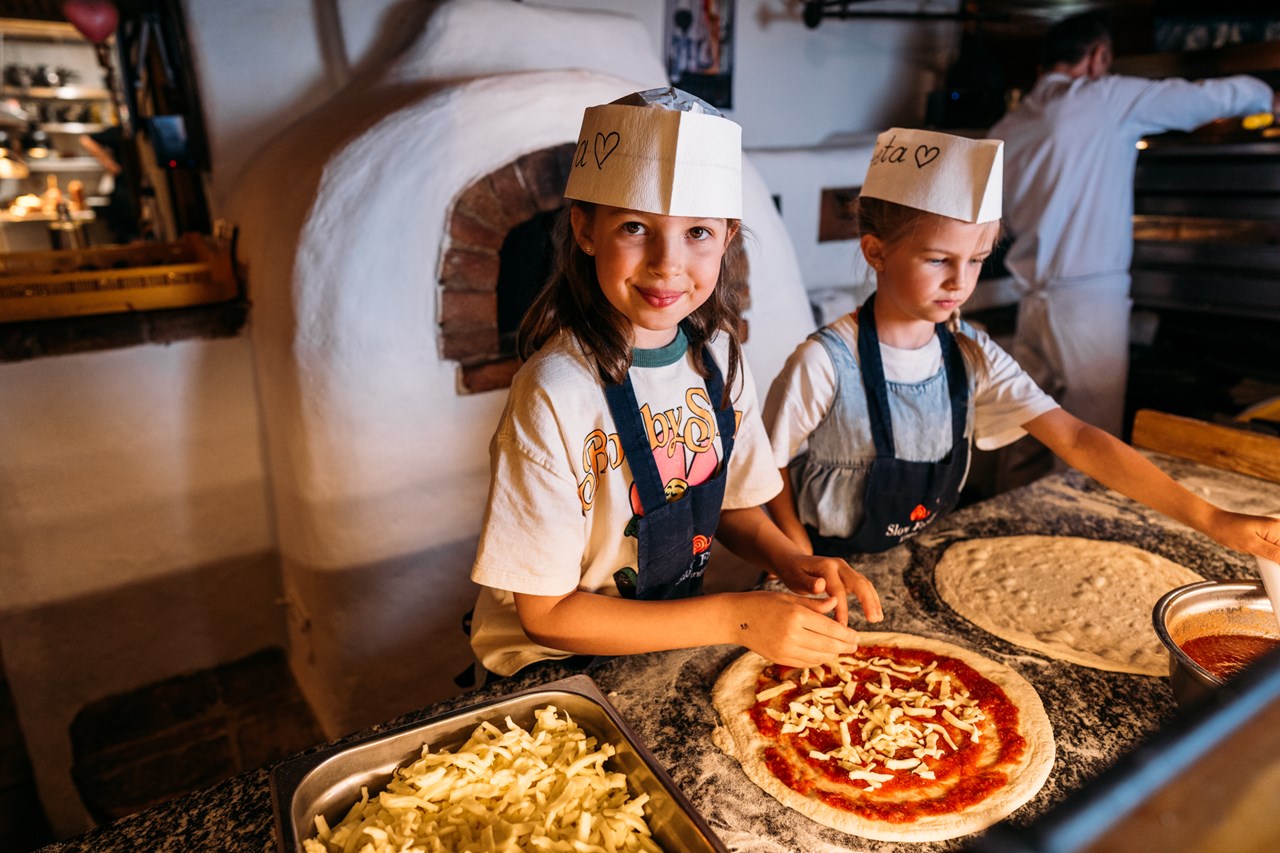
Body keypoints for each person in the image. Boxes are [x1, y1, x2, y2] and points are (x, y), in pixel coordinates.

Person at [468, 88, 883, 680]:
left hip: (663, 641)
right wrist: (736, 619)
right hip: (553, 669)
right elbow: (546, 615)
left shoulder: (718, 359)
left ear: (728, 236)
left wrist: (793, 560)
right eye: (636, 227)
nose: (668, 264)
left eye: (697, 233)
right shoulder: (555, 393)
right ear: (585, 230)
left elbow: (731, 505)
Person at [763, 126, 1280, 569]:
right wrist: (800, 556)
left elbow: (1076, 439)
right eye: (939, 260)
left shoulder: (972, 355)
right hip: (826, 563)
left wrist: (1210, 518)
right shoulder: (825, 363)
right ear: (876, 251)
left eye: (975, 260)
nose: (959, 284)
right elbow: (769, 470)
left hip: (914, 558)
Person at [989, 11, 1279, 485]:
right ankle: (1073, 543)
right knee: (1089, 444)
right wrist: (1265, 95)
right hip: (1087, 302)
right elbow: (1198, 100)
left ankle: (999, 531)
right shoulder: (1103, 98)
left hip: (1032, 301)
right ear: (1099, 56)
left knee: (1024, 434)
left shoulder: (1009, 125)